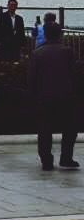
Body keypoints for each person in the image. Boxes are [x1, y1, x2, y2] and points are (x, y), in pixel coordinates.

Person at [28, 20, 79, 171]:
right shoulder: (68, 51)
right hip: (66, 96)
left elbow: (32, 78)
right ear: (60, 34)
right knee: (70, 128)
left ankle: (47, 161)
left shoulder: (37, 53)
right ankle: (66, 158)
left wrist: (32, 97)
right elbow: (74, 74)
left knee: (44, 130)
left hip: (43, 97)